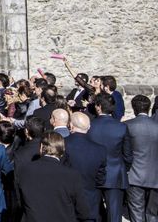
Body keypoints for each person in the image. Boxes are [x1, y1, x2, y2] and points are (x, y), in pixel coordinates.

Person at [15, 132, 90, 222]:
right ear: (62, 150)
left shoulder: (24, 170)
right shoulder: (72, 175)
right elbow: (83, 212)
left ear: (41, 147)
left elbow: (20, 202)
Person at [87, 93, 133, 222]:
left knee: (93, 213)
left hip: (92, 173)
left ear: (98, 107)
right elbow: (128, 155)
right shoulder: (121, 127)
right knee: (114, 214)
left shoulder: (89, 126)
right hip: (115, 173)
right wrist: (123, 168)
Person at [65, 112, 107, 222]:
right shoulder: (100, 149)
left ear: (71, 125)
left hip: (67, 200)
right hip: (91, 201)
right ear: (88, 127)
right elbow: (101, 179)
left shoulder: (63, 145)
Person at [124, 95, 158, 222]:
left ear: (133, 108)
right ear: (149, 108)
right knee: (153, 215)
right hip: (155, 175)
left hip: (134, 175)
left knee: (137, 214)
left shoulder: (127, 125)